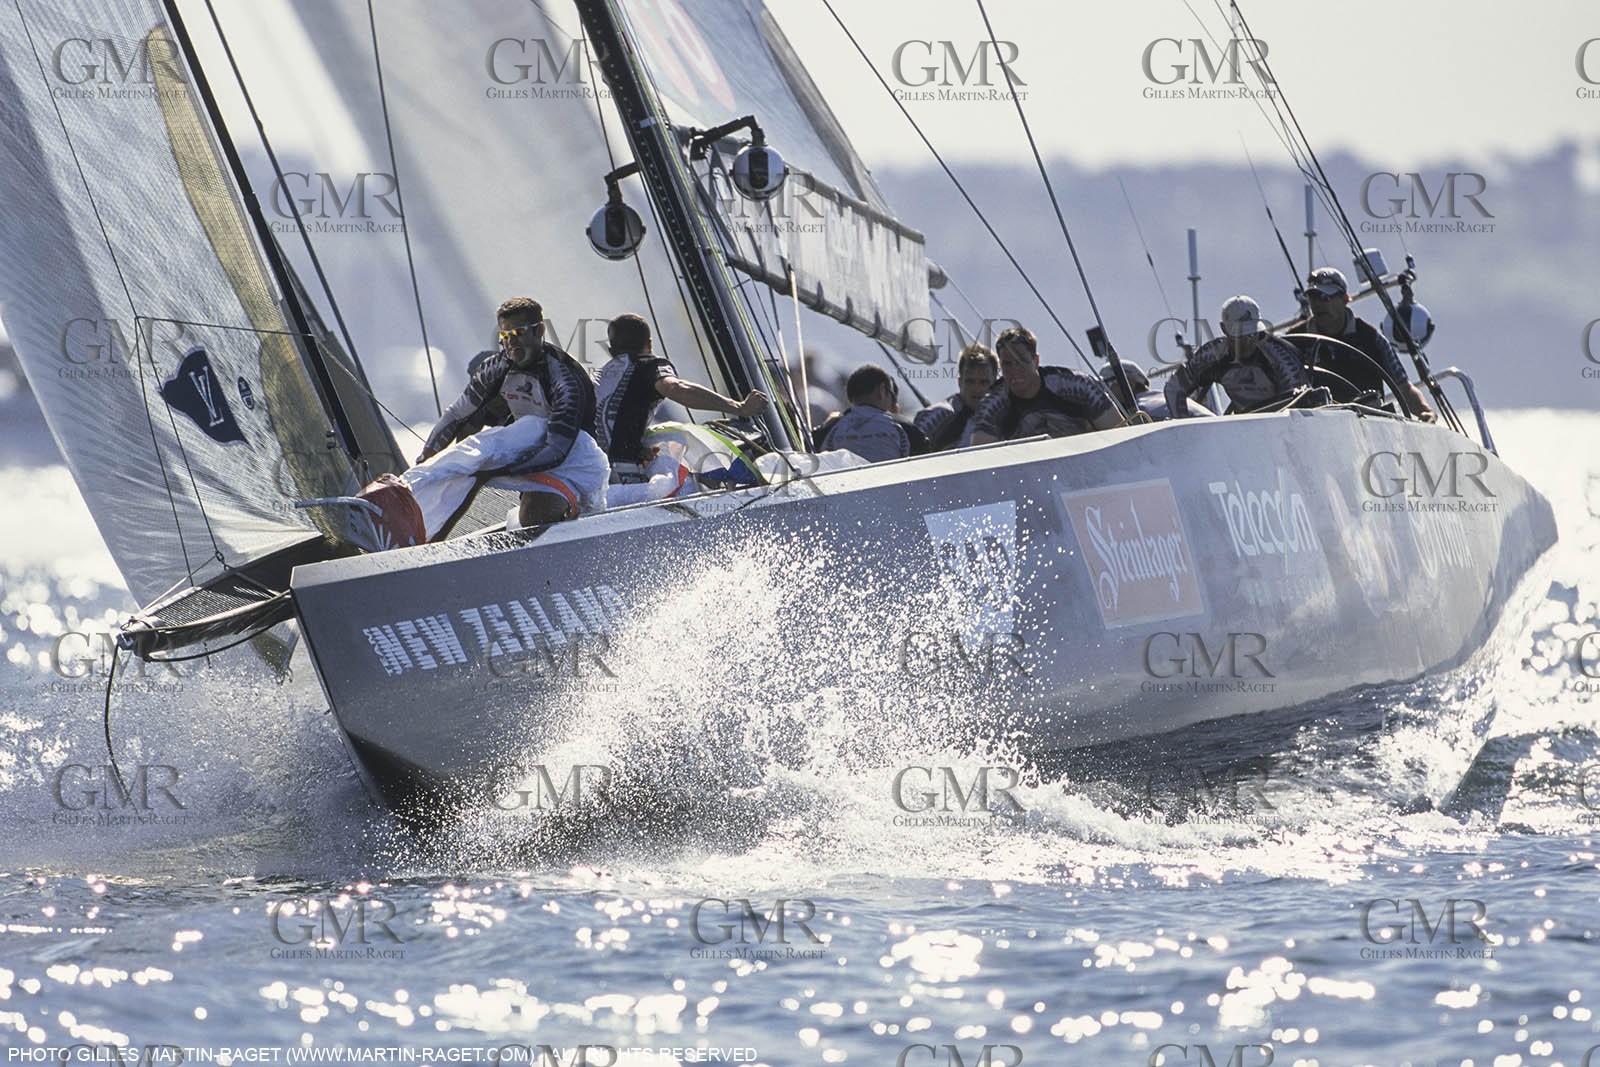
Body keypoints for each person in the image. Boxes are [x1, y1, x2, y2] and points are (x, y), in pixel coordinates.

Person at [394, 296, 609, 536]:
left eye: (519, 333)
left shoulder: (564, 377)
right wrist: (427, 457)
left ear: (539, 331)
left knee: (532, 512)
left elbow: (558, 449)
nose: (512, 345)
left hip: (574, 462)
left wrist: (497, 470)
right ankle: (423, 533)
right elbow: (455, 416)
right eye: (505, 337)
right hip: (530, 448)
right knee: (468, 467)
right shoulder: (496, 367)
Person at [595, 313, 768, 506]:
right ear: (650, 344)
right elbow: (673, 388)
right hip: (624, 474)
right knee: (694, 484)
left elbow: (611, 425)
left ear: (611, 352)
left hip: (596, 475)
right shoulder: (651, 365)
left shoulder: (603, 376)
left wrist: (639, 450)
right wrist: (738, 407)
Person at [1294, 267, 1436, 421]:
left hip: (1369, 426)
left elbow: (1404, 387)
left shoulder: (1371, 338)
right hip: (1314, 425)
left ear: (1345, 299)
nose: (1318, 304)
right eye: (1312, 297)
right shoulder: (1295, 341)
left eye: (1324, 297)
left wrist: (1425, 411)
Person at [967, 326, 1125, 444]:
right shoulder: (992, 407)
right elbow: (980, 460)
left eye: (1022, 361)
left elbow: (1121, 435)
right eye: (1007, 364)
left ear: (1036, 361)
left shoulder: (1077, 386)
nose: (1014, 370)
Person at [1163, 296, 1310, 418]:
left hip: (1282, 426)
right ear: (1224, 329)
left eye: (1251, 333)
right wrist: (1187, 428)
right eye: (1239, 335)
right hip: (1242, 430)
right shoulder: (1213, 355)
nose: (1246, 341)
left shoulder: (1280, 355)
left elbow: (1302, 398)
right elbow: (1174, 388)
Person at [813, 364, 930, 461]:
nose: (895, 406)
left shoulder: (827, 430)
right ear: (881, 390)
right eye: (892, 396)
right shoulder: (904, 429)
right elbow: (926, 460)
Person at [914, 343, 1000, 450]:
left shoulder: (1004, 417)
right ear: (959, 382)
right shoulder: (935, 417)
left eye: (984, 382)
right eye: (970, 381)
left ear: (995, 384)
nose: (976, 389)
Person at [1097, 359, 1210, 421]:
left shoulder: (1138, 410)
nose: (1106, 393)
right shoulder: (1163, 397)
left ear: (1130, 383)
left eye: (1108, 384)